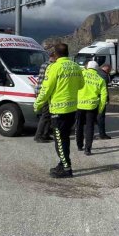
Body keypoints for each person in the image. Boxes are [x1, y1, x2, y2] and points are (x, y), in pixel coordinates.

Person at [34, 43, 84, 178]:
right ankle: (63, 163)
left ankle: (66, 168)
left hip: (58, 109)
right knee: (65, 138)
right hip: (72, 108)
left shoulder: (54, 67)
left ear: (55, 54)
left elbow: (46, 89)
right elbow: (81, 85)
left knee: (60, 141)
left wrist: (37, 104)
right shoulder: (76, 67)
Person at [75, 61, 108, 156]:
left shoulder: (81, 74)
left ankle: (79, 145)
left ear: (87, 67)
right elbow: (104, 96)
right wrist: (100, 109)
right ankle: (87, 149)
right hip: (92, 106)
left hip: (79, 105)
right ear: (97, 69)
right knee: (90, 128)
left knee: (79, 125)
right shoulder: (100, 79)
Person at [33, 53, 56, 143]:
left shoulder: (44, 64)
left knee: (48, 115)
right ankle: (38, 135)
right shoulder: (50, 66)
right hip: (45, 92)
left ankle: (45, 134)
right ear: (53, 57)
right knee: (45, 115)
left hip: (40, 90)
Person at [95, 64, 112, 139]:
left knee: (91, 118)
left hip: (91, 99)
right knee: (101, 117)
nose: (109, 71)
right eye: (109, 70)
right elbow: (104, 89)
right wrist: (107, 99)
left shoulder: (96, 73)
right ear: (105, 68)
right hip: (100, 99)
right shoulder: (104, 75)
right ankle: (102, 134)